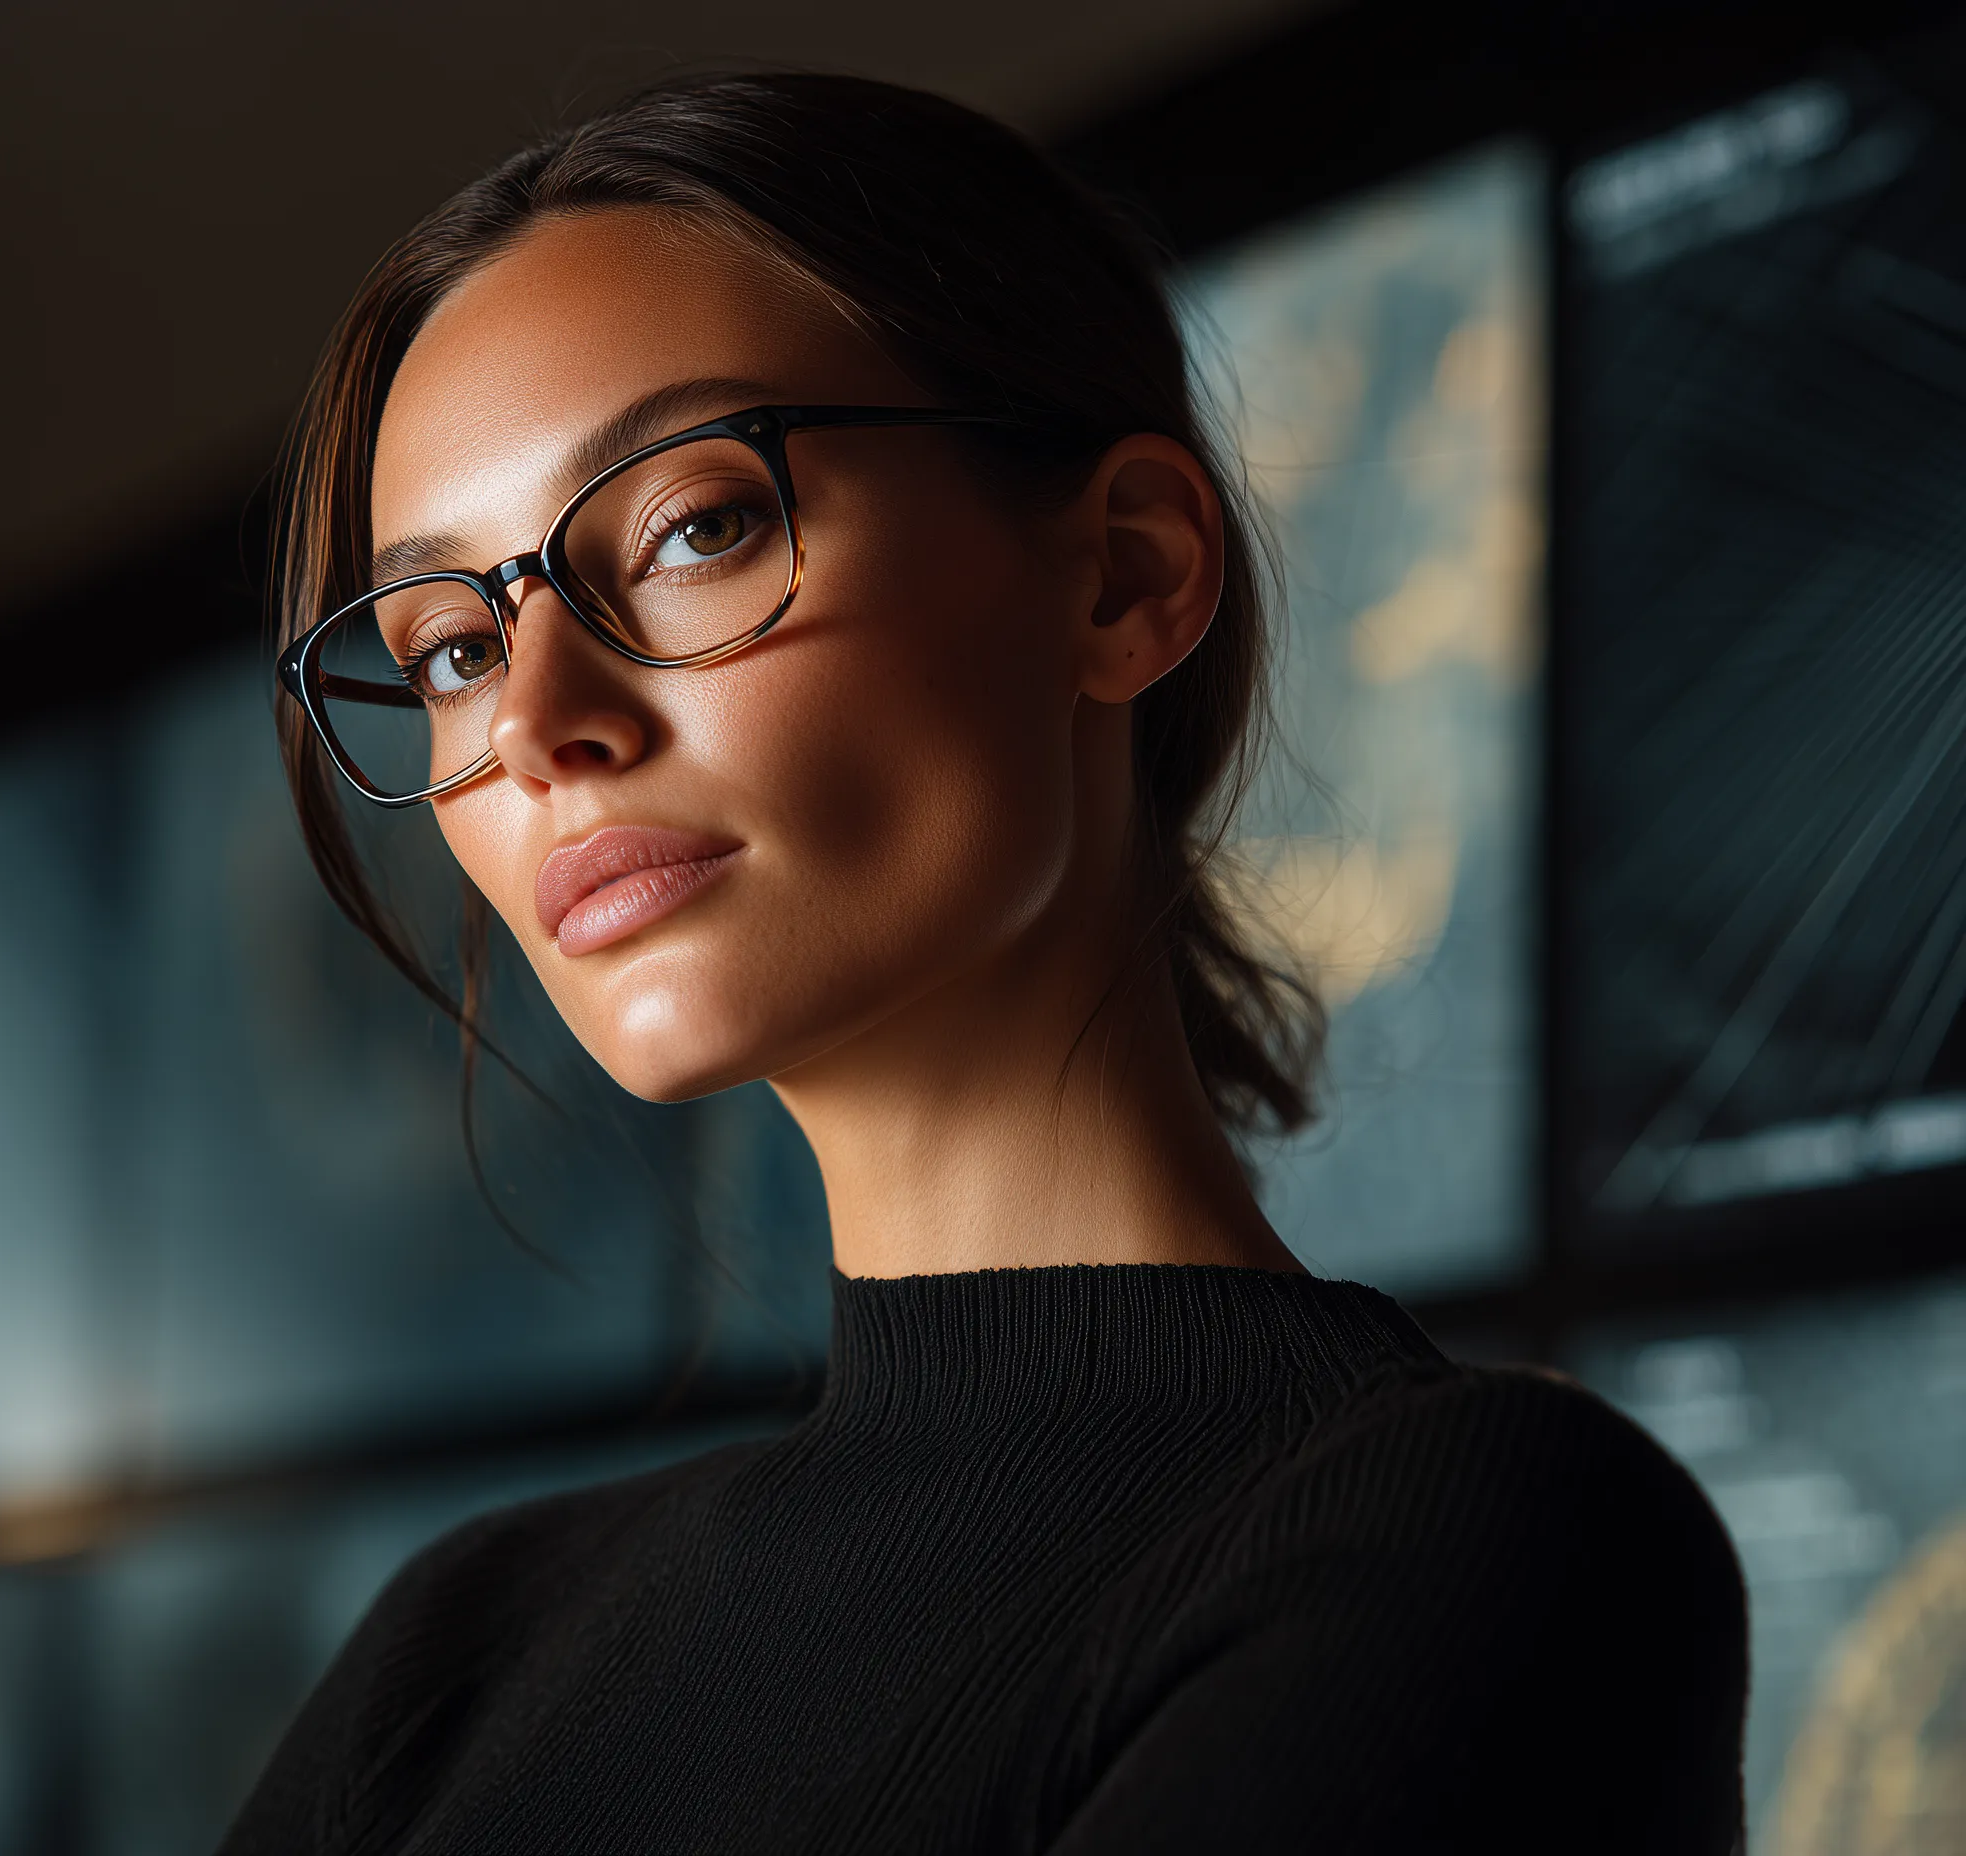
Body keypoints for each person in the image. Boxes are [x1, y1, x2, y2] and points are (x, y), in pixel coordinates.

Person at [225, 72, 1748, 1855]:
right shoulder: (456, 1647)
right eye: (454, 647)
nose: (546, 722)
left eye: (696, 526)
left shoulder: (1478, 1541)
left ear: (1126, 575)